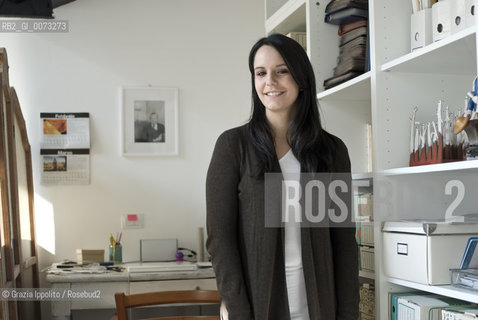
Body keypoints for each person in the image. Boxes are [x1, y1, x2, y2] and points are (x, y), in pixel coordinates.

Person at [206, 33, 359, 320]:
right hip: (256, 303)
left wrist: (349, 313)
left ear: (300, 78)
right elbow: (220, 241)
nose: (270, 82)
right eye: (261, 73)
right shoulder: (233, 146)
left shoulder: (330, 150)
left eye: (282, 71)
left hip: (318, 304)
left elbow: (344, 241)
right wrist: (238, 311)